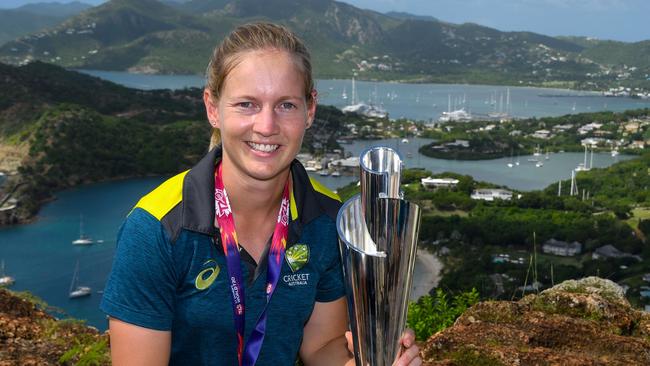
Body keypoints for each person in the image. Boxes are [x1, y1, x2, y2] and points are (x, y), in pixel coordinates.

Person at [100, 22, 421, 366]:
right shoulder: (157, 228)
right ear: (212, 108)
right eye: (247, 104)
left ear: (309, 110)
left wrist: (367, 361)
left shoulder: (327, 220)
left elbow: (322, 347)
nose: (267, 126)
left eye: (286, 105)